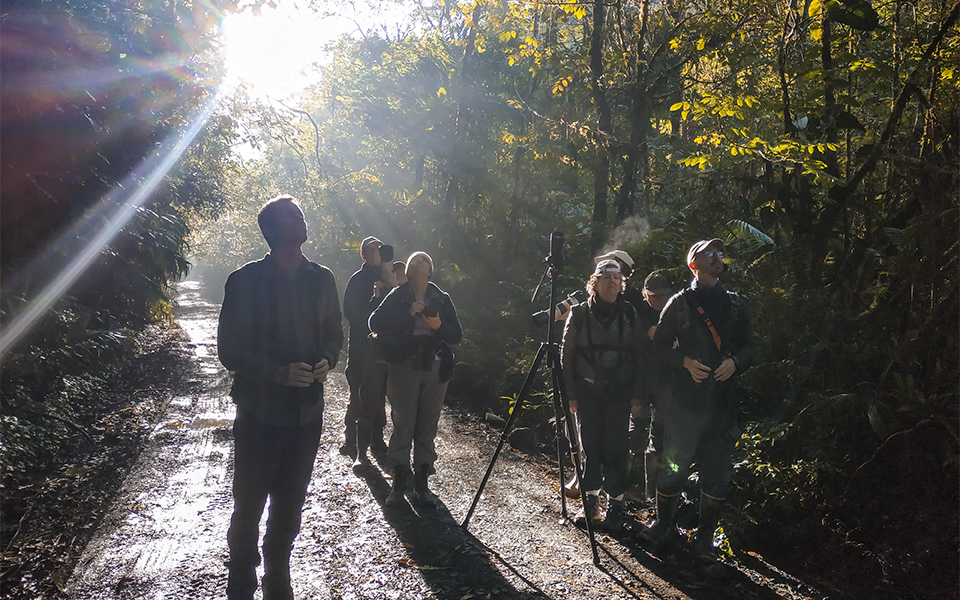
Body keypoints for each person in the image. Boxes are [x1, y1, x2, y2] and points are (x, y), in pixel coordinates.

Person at [217, 195, 343, 600]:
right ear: (272, 231)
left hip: (306, 414)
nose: (301, 218)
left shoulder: (322, 279)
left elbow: (334, 334)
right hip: (258, 413)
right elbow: (229, 350)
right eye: (292, 215)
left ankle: (278, 576)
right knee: (249, 503)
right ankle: (240, 580)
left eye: (301, 213)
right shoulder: (244, 280)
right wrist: (275, 373)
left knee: (290, 502)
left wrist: (327, 360)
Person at [639, 239, 755, 558]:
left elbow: (751, 346)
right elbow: (658, 347)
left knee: (716, 472)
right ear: (694, 265)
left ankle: (705, 539)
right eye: (709, 254)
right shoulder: (679, 303)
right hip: (686, 405)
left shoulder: (735, 304)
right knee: (674, 466)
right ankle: (664, 525)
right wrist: (685, 362)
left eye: (719, 253)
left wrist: (736, 363)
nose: (717, 258)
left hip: (723, 404)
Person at [369, 251, 462, 509]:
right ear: (408, 270)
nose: (421, 262)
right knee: (403, 422)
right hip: (404, 365)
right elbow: (374, 321)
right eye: (416, 260)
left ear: (430, 271)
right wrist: (408, 313)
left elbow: (456, 335)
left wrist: (438, 326)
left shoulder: (441, 298)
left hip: (435, 367)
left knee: (427, 425)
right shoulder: (399, 296)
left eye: (425, 261)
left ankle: (422, 484)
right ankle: (399, 481)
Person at [560, 259, 646, 532]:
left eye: (617, 278)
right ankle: (591, 505)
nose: (612, 282)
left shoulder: (630, 313)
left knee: (617, 448)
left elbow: (640, 356)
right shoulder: (580, 313)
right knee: (591, 447)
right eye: (607, 277)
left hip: (619, 393)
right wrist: (570, 395)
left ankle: (616, 508)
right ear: (594, 282)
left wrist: (638, 394)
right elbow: (567, 356)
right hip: (588, 391)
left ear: (622, 284)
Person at [342, 236, 395, 462]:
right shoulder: (357, 280)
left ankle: (377, 437)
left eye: (379, 250)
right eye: (371, 251)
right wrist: (374, 300)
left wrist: (392, 286)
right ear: (363, 254)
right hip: (361, 345)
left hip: (384, 347)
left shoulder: (389, 276)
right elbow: (351, 314)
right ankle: (350, 437)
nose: (376, 254)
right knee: (358, 391)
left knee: (380, 391)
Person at [625, 272, 674, 501]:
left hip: (665, 384)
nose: (660, 300)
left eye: (664, 295)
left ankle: (652, 492)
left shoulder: (675, 313)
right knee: (636, 433)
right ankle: (628, 487)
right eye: (655, 296)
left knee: (660, 437)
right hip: (640, 383)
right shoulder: (635, 314)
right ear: (645, 295)